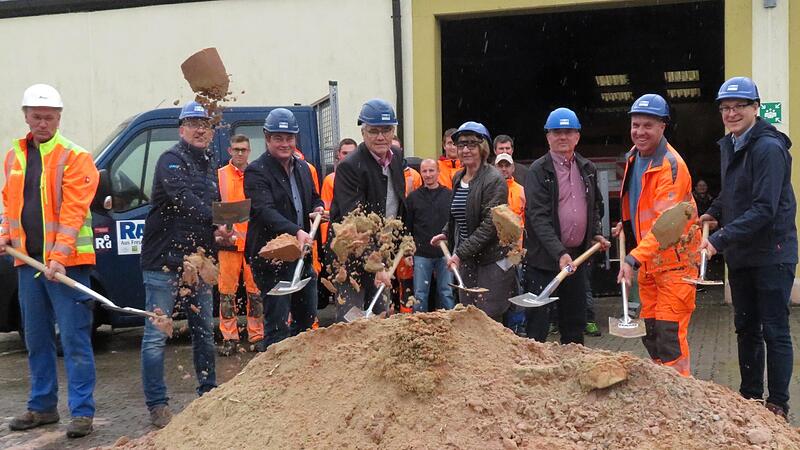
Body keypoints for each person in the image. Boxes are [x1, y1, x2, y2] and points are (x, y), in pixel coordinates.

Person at [2, 84, 99, 438]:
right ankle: (42, 406)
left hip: (67, 265)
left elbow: (73, 213)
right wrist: (4, 234)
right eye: (36, 116)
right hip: (29, 264)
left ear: (59, 118)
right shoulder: (14, 157)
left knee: (74, 339)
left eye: (49, 117)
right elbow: (11, 205)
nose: (42, 123)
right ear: (26, 115)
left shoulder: (75, 157)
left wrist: (58, 257)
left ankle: (82, 411)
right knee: (37, 337)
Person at [700, 77, 797, 420]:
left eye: (739, 106)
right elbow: (733, 192)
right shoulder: (731, 144)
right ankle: (750, 397)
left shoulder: (768, 148)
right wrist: (712, 211)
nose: (731, 113)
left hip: (773, 252)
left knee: (774, 329)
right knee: (745, 327)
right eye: (725, 108)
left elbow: (764, 208)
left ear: (756, 108)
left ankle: (779, 403)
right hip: (742, 254)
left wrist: (718, 240)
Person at [140, 101, 231, 427]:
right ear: (181, 130)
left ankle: (208, 392)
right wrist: (217, 218)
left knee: (204, 331)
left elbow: (208, 207)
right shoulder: (171, 161)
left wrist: (221, 232)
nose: (200, 129)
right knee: (155, 335)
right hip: (163, 261)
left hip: (198, 263)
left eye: (205, 124)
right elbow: (185, 201)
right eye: (193, 123)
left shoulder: (209, 163)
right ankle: (158, 404)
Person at [615, 94, 698, 377]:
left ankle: (682, 397)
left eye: (647, 125)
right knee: (651, 334)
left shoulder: (671, 167)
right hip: (650, 263)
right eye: (635, 124)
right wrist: (626, 227)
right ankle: (663, 394)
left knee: (669, 338)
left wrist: (633, 258)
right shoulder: (633, 157)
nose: (639, 131)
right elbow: (638, 203)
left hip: (674, 264)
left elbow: (667, 226)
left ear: (663, 126)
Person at [524, 108, 607, 345]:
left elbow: (594, 207)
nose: (563, 137)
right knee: (537, 327)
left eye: (568, 132)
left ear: (577, 136)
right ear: (548, 136)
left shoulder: (587, 168)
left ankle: (574, 372)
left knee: (574, 324)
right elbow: (538, 217)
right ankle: (536, 373)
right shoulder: (538, 171)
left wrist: (595, 234)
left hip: (576, 261)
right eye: (557, 132)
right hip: (543, 262)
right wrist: (560, 253)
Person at [244, 108, 324, 349]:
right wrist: (295, 230)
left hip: (301, 257)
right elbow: (264, 210)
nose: (285, 143)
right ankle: (274, 375)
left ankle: (298, 376)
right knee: (278, 324)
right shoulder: (256, 171)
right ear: (267, 138)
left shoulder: (302, 168)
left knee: (306, 319)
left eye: (289, 138)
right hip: (272, 260)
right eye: (278, 138)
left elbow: (313, 197)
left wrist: (318, 208)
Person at [330, 98, 406, 322]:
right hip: (350, 256)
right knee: (351, 321)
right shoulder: (350, 167)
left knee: (380, 317)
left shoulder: (396, 158)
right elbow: (354, 222)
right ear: (363, 133)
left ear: (393, 131)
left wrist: (404, 243)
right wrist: (375, 264)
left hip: (381, 251)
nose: (381, 137)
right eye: (374, 131)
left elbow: (399, 202)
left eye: (386, 130)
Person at [431, 121, 515, 322]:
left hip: (490, 261)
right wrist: (447, 232)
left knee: (488, 319)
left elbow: (490, 225)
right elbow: (458, 213)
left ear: (483, 147)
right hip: (468, 260)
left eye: (471, 144)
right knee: (469, 318)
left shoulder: (494, 180)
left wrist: (459, 253)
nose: (465, 150)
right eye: (461, 145)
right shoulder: (458, 177)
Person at [216, 134, 263, 356]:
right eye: (236, 149)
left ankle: (257, 335)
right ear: (229, 151)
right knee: (227, 294)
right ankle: (229, 338)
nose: (240, 153)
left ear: (249, 151)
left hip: (253, 243)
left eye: (243, 149)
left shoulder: (257, 174)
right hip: (229, 243)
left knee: (255, 293)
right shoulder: (220, 176)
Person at [405, 159, 455, 312]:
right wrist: (408, 252)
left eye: (431, 170)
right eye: (424, 171)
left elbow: (455, 224)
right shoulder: (413, 198)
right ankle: (419, 328)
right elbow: (408, 226)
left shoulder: (449, 195)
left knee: (446, 293)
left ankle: (451, 327)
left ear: (438, 172)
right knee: (420, 295)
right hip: (421, 254)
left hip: (445, 254)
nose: (428, 174)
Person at [320, 138, 358, 245]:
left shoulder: (364, 178)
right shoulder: (330, 180)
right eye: (345, 153)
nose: (348, 156)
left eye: (352, 153)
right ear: (339, 155)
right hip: (338, 235)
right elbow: (325, 214)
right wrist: (325, 241)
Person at [494, 153, 525, 225]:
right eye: (500, 166)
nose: (504, 169)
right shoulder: (489, 189)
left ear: (513, 168)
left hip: (518, 235)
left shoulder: (521, 190)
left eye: (507, 165)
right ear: (495, 168)